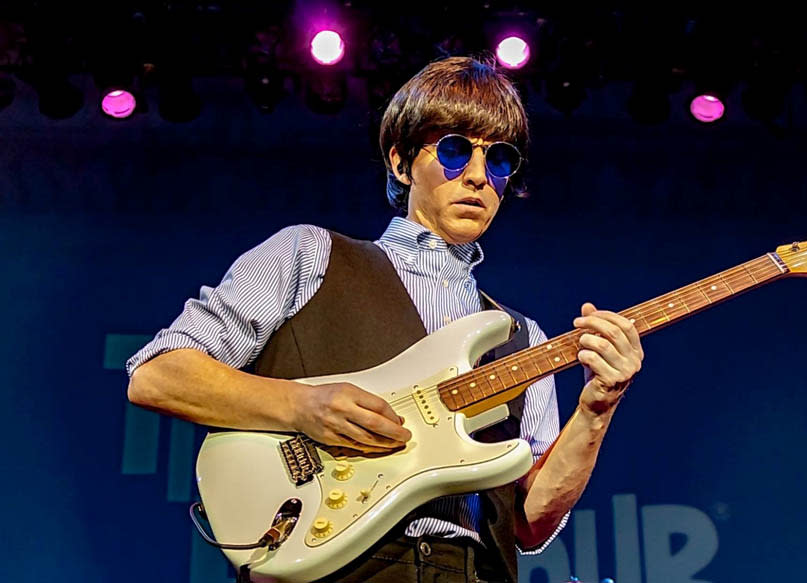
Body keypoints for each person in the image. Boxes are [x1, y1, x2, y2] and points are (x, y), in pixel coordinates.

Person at [126, 55, 643, 583]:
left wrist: (598, 406)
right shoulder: (308, 255)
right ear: (400, 162)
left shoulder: (521, 336)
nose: (477, 176)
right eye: (455, 149)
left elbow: (529, 524)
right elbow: (159, 376)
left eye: (499, 160)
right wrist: (300, 407)